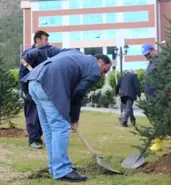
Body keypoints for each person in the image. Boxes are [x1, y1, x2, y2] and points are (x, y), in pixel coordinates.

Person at [20, 51, 112, 182]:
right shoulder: (94, 70)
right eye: (105, 70)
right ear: (99, 62)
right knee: (60, 127)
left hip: (34, 82)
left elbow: (48, 49)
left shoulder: (74, 53)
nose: (102, 75)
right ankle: (62, 170)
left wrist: (27, 55)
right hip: (49, 85)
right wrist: (74, 119)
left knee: (49, 130)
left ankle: (54, 167)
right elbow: (79, 92)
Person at [19, 30, 72, 149]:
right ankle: (34, 140)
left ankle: (44, 137)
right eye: (46, 40)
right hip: (31, 90)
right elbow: (22, 73)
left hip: (44, 89)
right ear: (38, 40)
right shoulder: (29, 54)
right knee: (32, 115)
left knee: (43, 115)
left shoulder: (46, 54)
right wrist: (25, 92)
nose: (48, 42)